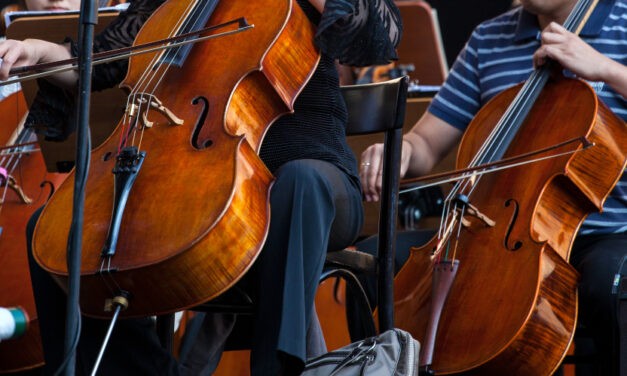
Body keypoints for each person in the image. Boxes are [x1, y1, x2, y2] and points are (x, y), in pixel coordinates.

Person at [0, 0, 402, 375]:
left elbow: (383, 35)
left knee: (299, 182)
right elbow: (107, 61)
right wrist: (37, 51)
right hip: (202, 191)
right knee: (56, 230)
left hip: (316, 185)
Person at [361, 0, 626, 374]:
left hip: (606, 231)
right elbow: (426, 145)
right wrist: (400, 151)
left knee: (607, 281)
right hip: (498, 231)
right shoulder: (490, 38)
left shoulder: (623, 20)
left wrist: (607, 70)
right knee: (373, 262)